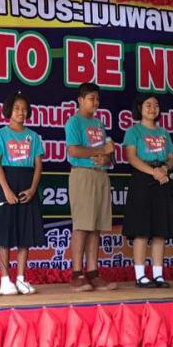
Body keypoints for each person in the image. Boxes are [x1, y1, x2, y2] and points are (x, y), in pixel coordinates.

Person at [0, 91, 46, 295]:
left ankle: (21, 279)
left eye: (24, 109)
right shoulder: (0, 135)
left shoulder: (34, 137)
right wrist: (6, 190)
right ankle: (5, 280)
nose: (21, 112)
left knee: (24, 234)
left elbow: (38, 166)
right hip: (7, 184)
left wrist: (32, 189)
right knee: (4, 234)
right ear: (9, 111)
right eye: (17, 108)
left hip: (27, 185)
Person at [122, 93, 173, 288]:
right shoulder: (133, 131)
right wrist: (153, 172)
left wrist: (164, 169)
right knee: (141, 231)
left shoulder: (164, 133)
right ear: (140, 108)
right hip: (142, 179)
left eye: (156, 105)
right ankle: (140, 276)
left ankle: (158, 275)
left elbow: (171, 158)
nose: (152, 109)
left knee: (159, 230)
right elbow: (132, 157)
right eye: (148, 105)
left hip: (162, 179)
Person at [65, 82, 116, 292]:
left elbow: (108, 152)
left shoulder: (99, 124)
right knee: (82, 225)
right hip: (83, 174)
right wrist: (101, 151)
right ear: (80, 100)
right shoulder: (74, 122)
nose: (95, 102)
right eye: (91, 98)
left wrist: (107, 158)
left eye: (97, 98)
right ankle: (77, 273)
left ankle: (93, 272)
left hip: (100, 174)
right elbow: (74, 150)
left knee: (96, 226)